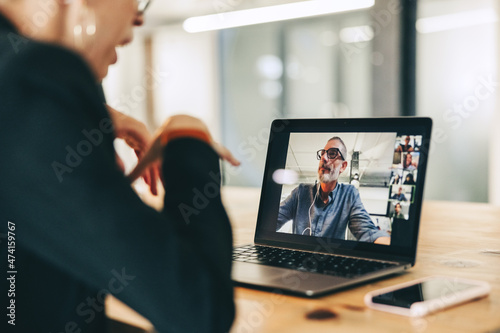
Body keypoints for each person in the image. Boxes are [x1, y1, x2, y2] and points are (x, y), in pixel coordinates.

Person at [0, 1, 239, 332]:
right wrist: (187, 136)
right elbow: (199, 312)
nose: (139, 18)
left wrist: (81, 115)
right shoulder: (34, 76)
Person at [276, 137, 390, 245]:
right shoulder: (300, 193)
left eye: (332, 154)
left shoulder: (349, 195)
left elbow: (368, 232)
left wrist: (392, 247)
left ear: (343, 166)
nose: (324, 158)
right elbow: (273, 219)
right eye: (322, 154)